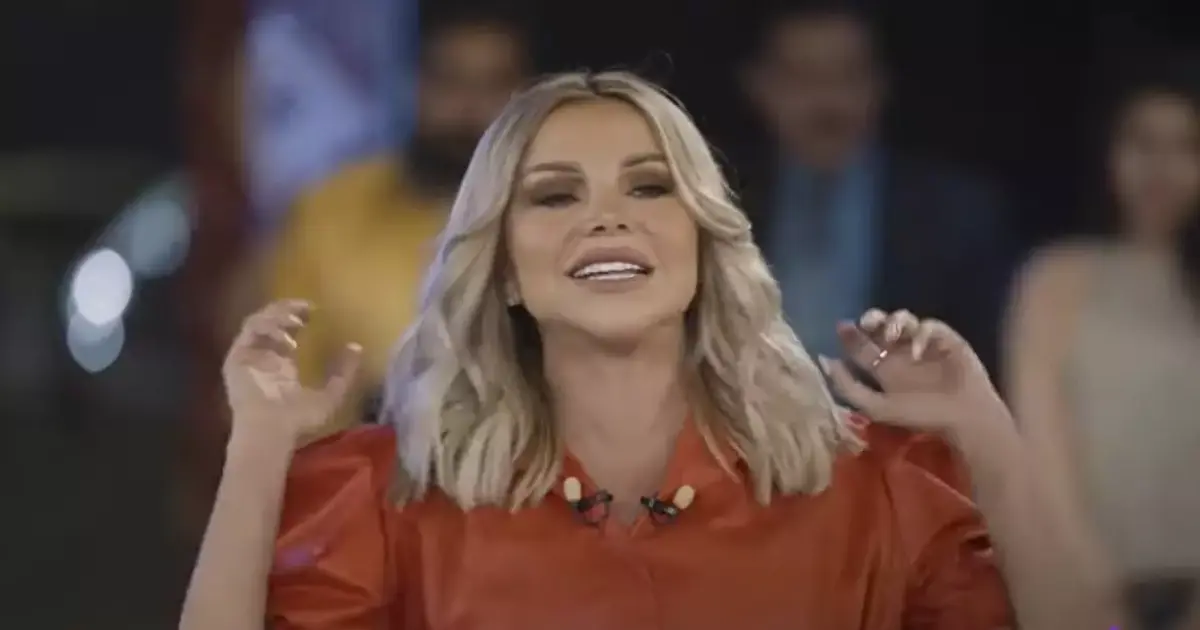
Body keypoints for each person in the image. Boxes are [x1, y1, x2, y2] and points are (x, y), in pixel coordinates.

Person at [180, 72, 1108, 630]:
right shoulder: (389, 497)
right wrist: (257, 448)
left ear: (705, 242)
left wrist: (987, 434)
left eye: (650, 186)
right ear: (502, 270)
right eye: (555, 195)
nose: (607, 217)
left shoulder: (873, 487)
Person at [264, 3, 531, 432]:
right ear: (414, 85)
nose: (469, 108)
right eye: (450, 81)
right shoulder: (333, 210)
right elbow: (283, 386)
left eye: (493, 84)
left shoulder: (558, 220)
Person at [1005, 63, 1200, 630]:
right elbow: (1041, 436)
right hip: (1083, 591)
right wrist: (1088, 582)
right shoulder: (1058, 276)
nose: (1160, 167)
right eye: (1143, 143)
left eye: (1186, 147)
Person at [734, 0, 1015, 378]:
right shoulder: (717, 201)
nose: (827, 101)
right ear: (758, 86)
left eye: (847, 76)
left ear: (880, 84)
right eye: (802, 78)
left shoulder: (955, 215)